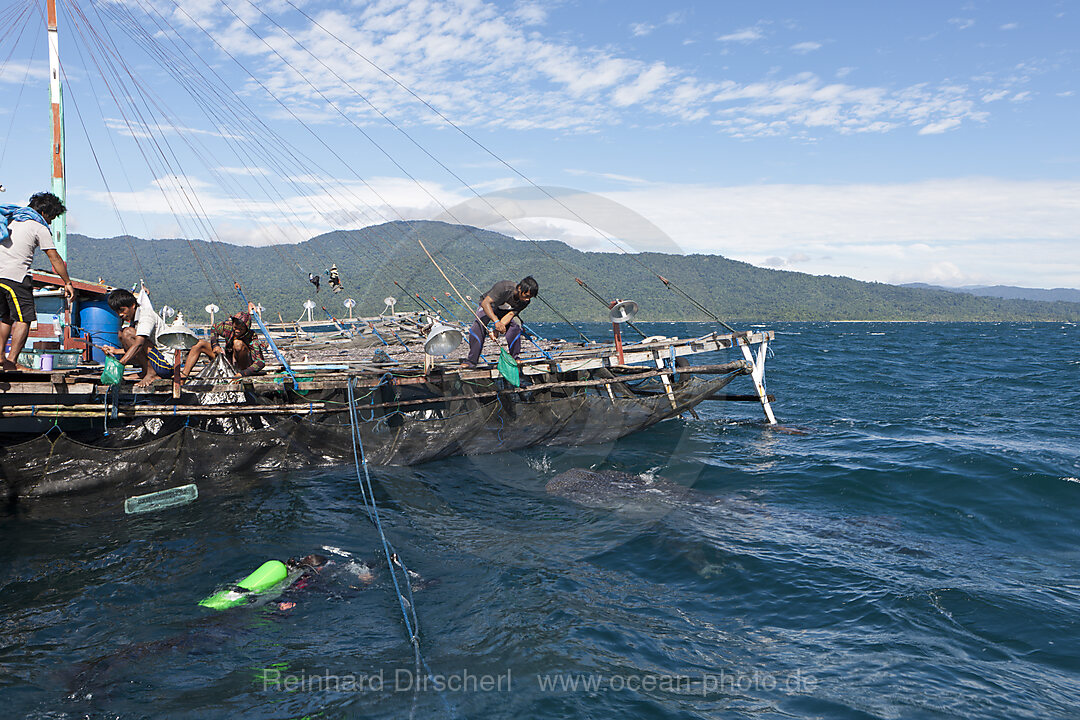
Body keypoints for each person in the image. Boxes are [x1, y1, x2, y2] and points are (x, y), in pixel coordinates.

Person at [0, 192, 74, 371]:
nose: (50, 222)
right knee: (25, 319)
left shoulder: (11, 220)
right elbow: (54, 257)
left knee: (6, 318)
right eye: (52, 217)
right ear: (46, 213)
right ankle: (11, 362)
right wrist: (67, 282)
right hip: (15, 277)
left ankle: (0, 357)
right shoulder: (38, 227)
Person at [103, 288, 192, 388]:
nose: (120, 314)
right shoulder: (134, 320)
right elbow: (134, 346)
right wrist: (115, 351)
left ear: (133, 305)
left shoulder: (146, 315)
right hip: (156, 359)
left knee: (128, 333)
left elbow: (139, 344)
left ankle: (151, 373)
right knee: (122, 334)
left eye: (122, 310)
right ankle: (146, 371)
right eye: (117, 311)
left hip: (166, 365)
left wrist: (120, 364)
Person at [462, 276, 538, 368]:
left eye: (530, 297)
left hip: (505, 312)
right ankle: (471, 361)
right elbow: (485, 303)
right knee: (478, 326)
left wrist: (497, 330)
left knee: (516, 325)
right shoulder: (504, 288)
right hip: (489, 306)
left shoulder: (525, 302)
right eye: (526, 296)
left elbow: (510, 315)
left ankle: (514, 357)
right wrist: (496, 321)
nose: (527, 299)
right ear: (519, 288)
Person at [181, 310, 268, 379]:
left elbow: (260, 362)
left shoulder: (252, 337)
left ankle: (239, 372)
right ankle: (184, 376)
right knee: (199, 344)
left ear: (246, 329)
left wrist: (244, 373)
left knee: (238, 344)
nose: (237, 331)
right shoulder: (227, 327)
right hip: (227, 359)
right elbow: (214, 327)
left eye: (241, 329)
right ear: (233, 324)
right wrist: (215, 345)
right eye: (235, 328)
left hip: (242, 366)